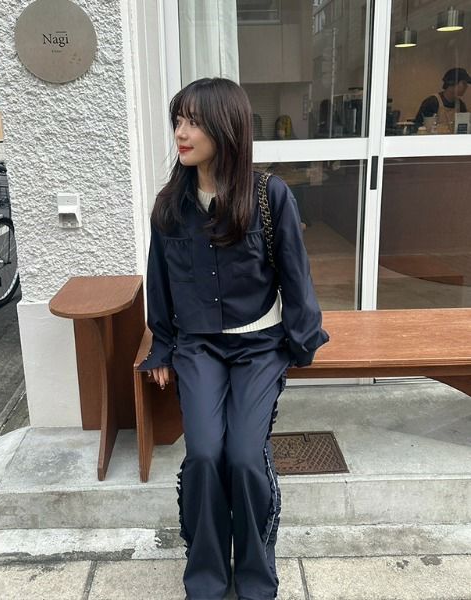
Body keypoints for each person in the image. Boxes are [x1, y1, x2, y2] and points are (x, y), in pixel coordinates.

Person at [137, 77, 329, 600]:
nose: (181, 133)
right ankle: (205, 578)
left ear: (227, 128)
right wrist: (162, 346)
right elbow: (160, 282)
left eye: (194, 122)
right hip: (198, 346)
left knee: (245, 457)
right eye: (178, 121)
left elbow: (295, 273)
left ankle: (255, 577)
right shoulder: (170, 205)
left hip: (259, 345)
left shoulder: (268, 195)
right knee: (203, 454)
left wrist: (301, 342)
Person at [414, 67, 471, 132]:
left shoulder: (460, 105)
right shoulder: (432, 102)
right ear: (452, 83)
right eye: (464, 83)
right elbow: (418, 126)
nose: (466, 86)